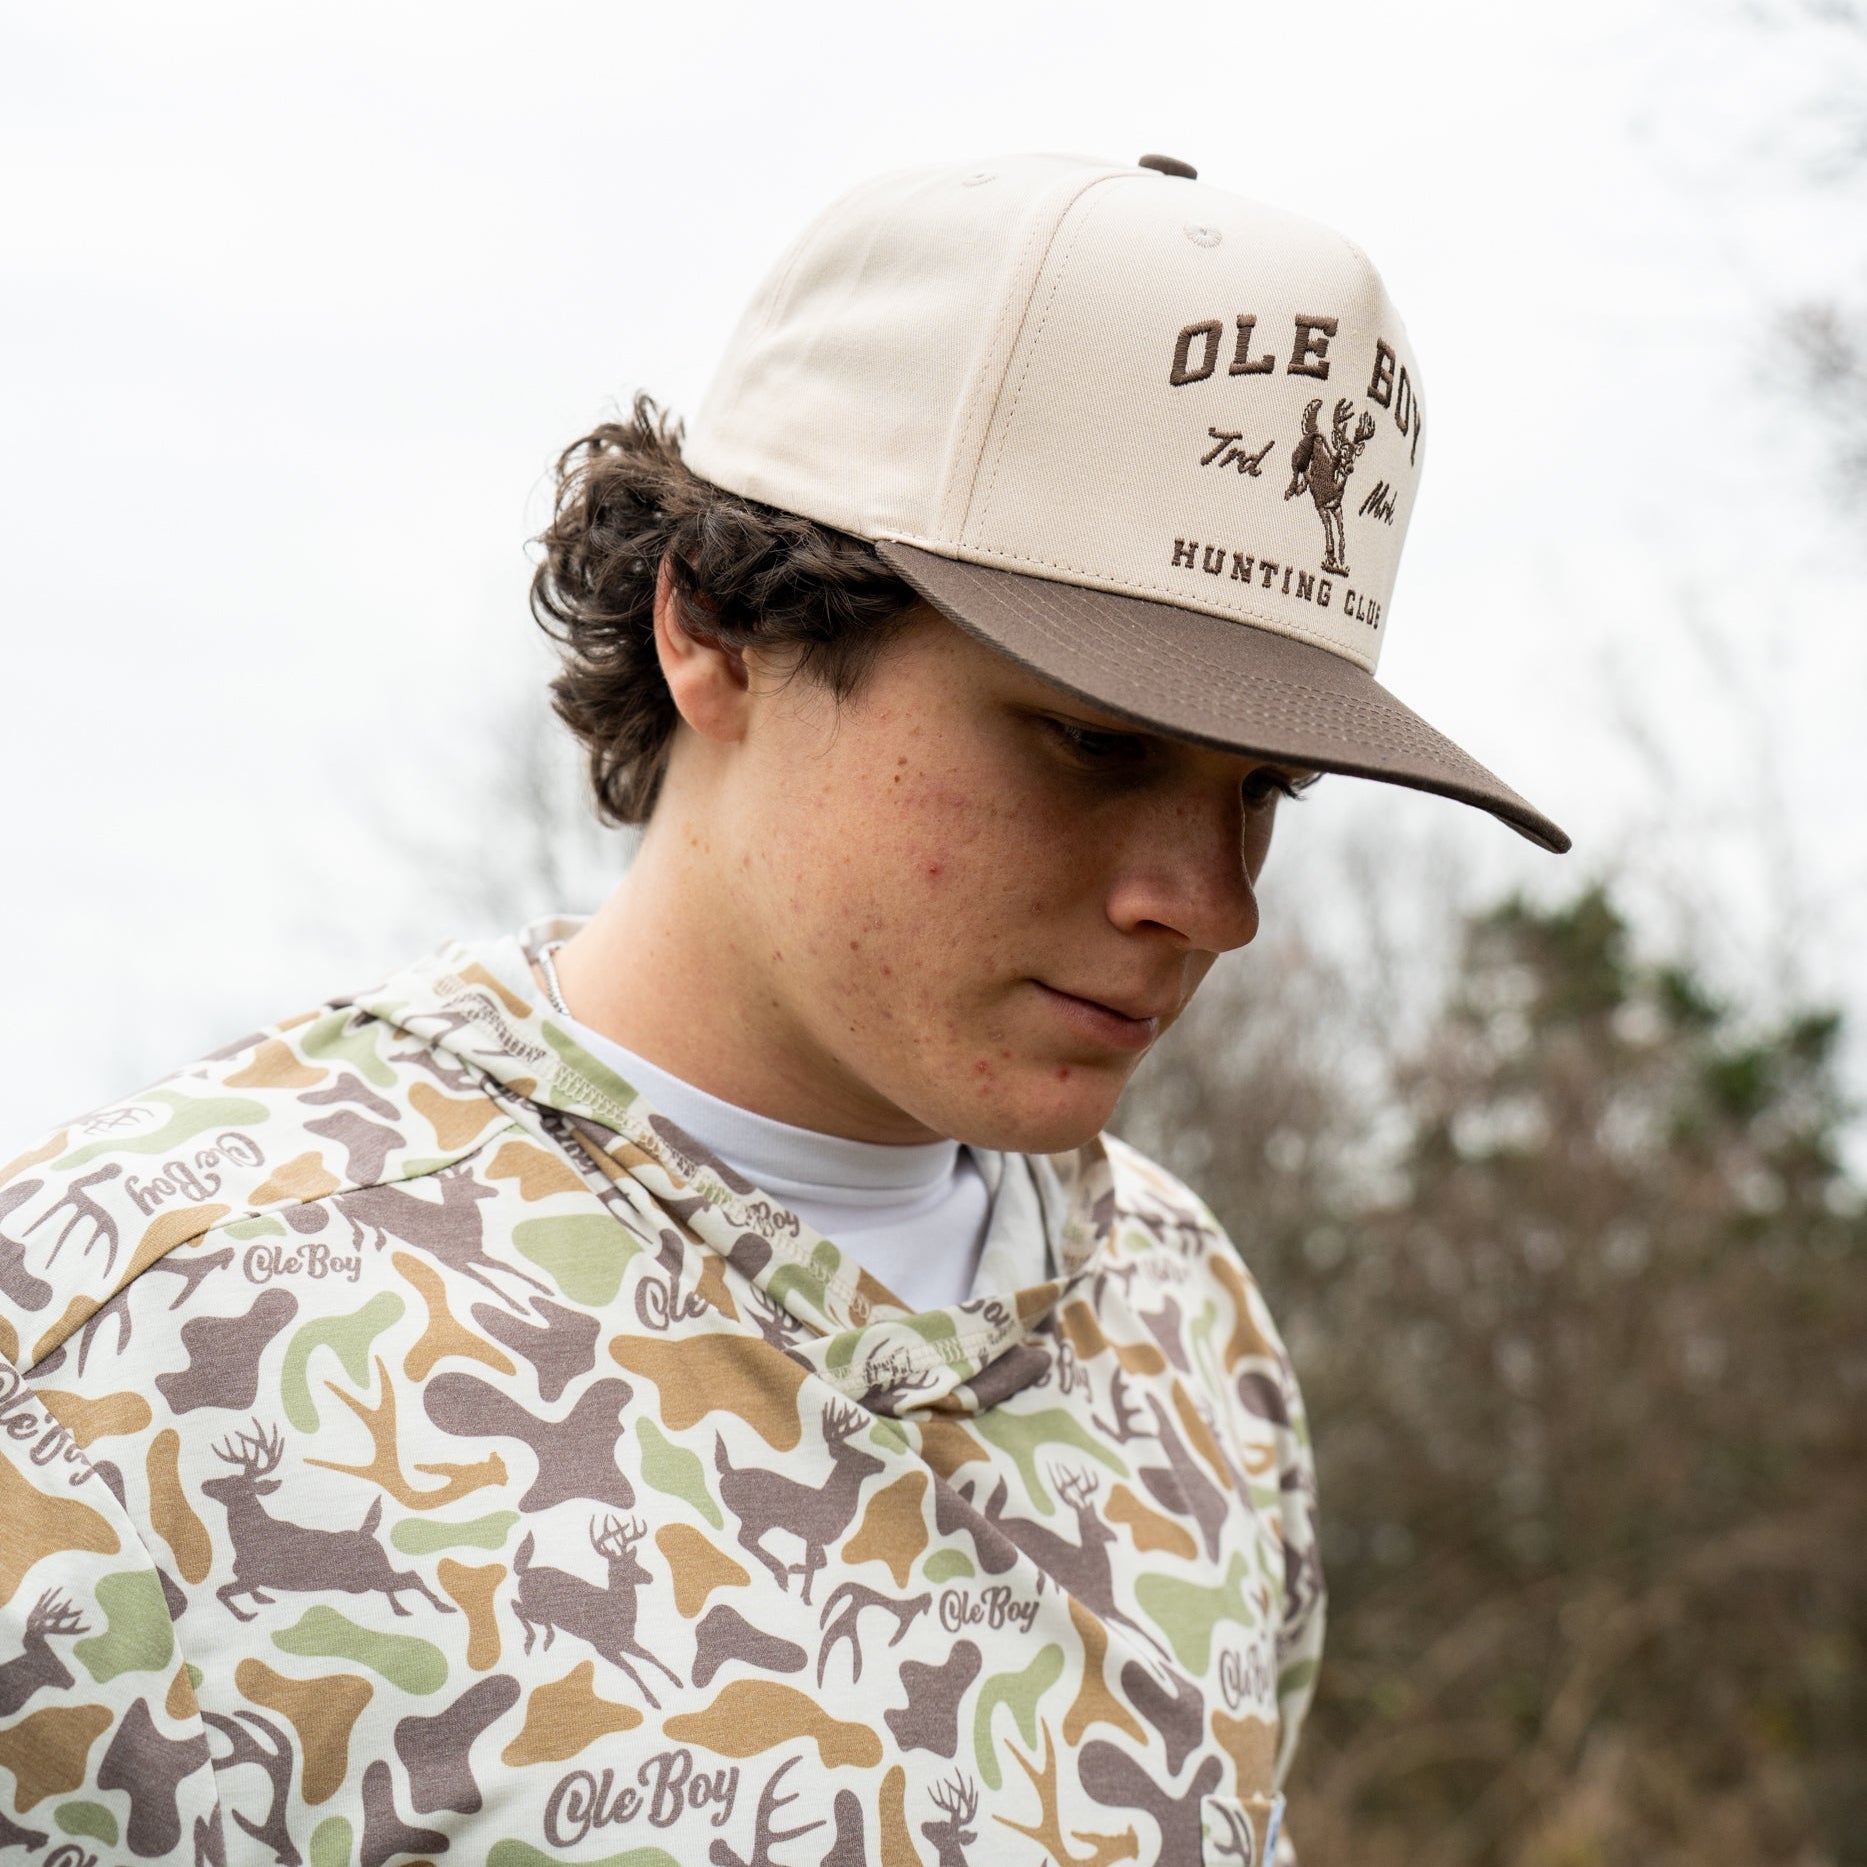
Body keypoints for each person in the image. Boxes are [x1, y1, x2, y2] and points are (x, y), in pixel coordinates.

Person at [0, 152, 1566, 1867]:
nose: (1210, 902)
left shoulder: (1192, 1336)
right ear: (719, 631)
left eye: (1264, 785)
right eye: (1094, 742)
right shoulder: (133, 1346)